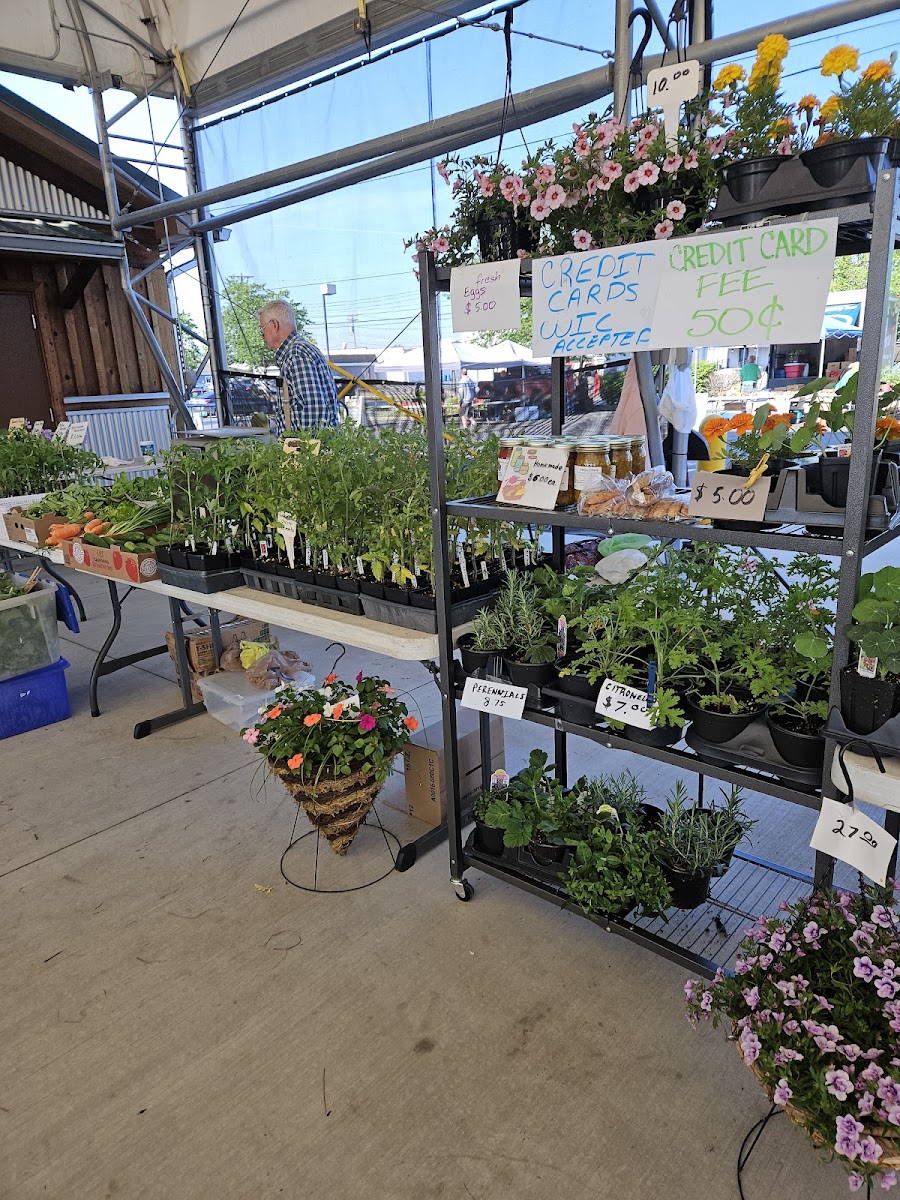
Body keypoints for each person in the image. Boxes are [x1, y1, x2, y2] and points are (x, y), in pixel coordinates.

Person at [258, 299, 339, 433]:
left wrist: (302, 446)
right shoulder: (298, 350)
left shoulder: (296, 354)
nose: (262, 336)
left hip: (309, 445)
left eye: (262, 329)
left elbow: (313, 411)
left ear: (274, 325)